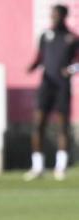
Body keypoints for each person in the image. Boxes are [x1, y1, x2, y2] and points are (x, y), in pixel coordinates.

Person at [25, 4, 78, 181]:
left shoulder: (72, 38)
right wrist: (31, 67)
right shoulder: (45, 36)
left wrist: (70, 70)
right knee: (38, 124)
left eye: (56, 14)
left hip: (62, 87)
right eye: (52, 14)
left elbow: (78, 63)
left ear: (64, 16)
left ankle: (60, 167)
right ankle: (37, 167)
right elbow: (39, 57)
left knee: (62, 126)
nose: (53, 17)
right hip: (46, 85)